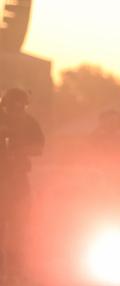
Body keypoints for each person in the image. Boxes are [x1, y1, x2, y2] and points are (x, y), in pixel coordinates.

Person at [0, 88, 45, 284]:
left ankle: (15, 271)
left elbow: (39, 147)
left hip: (18, 181)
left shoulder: (29, 122)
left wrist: (19, 147)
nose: (16, 111)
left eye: (20, 107)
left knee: (19, 228)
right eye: (12, 107)